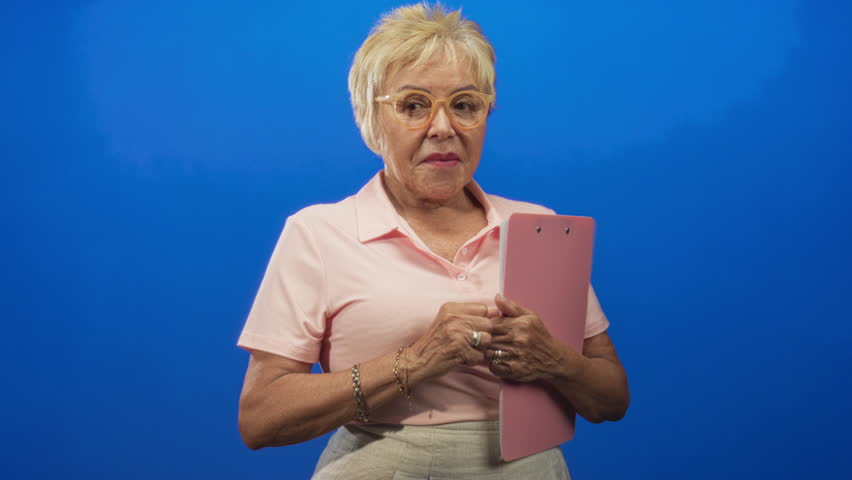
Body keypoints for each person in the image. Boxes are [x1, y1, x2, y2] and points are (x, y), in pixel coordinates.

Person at [237, 3, 629, 478]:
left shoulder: (538, 226)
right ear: (370, 120)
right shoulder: (318, 233)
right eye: (413, 105)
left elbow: (611, 398)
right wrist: (416, 361)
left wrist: (556, 360)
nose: (442, 128)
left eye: (464, 104)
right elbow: (260, 418)